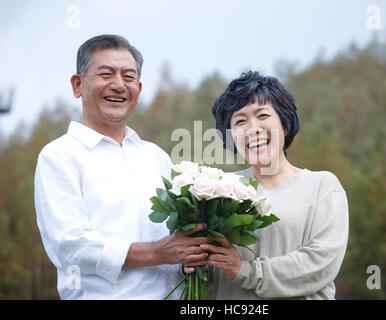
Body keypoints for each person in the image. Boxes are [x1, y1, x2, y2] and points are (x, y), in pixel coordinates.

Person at [34, 34, 209, 299]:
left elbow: (174, 239)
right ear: (77, 84)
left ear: (138, 90)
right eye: (106, 74)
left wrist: (189, 255)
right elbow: (70, 246)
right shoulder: (59, 156)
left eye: (128, 77)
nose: (118, 85)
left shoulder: (156, 156)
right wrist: (156, 252)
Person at [198, 71, 349, 299]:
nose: (252, 129)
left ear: (285, 125)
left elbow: (321, 264)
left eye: (263, 115)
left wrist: (246, 270)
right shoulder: (217, 190)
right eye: (240, 121)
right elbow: (207, 271)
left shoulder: (323, 187)